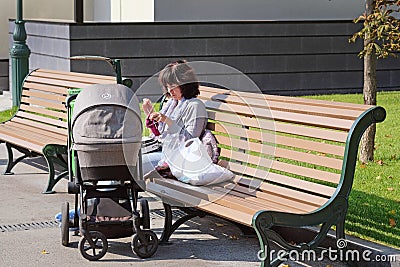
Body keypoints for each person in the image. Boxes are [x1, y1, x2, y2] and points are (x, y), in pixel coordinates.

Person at [141, 60, 207, 175]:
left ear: (185, 84)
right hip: (162, 150)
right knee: (124, 159)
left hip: (177, 157)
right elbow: (160, 135)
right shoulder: (172, 103)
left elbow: (191, 142)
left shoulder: (195, 106)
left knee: (135, 164)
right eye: (167, 86)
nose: (169, 90)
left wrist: (168, 121)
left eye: (173, 86)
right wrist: (150, 114)